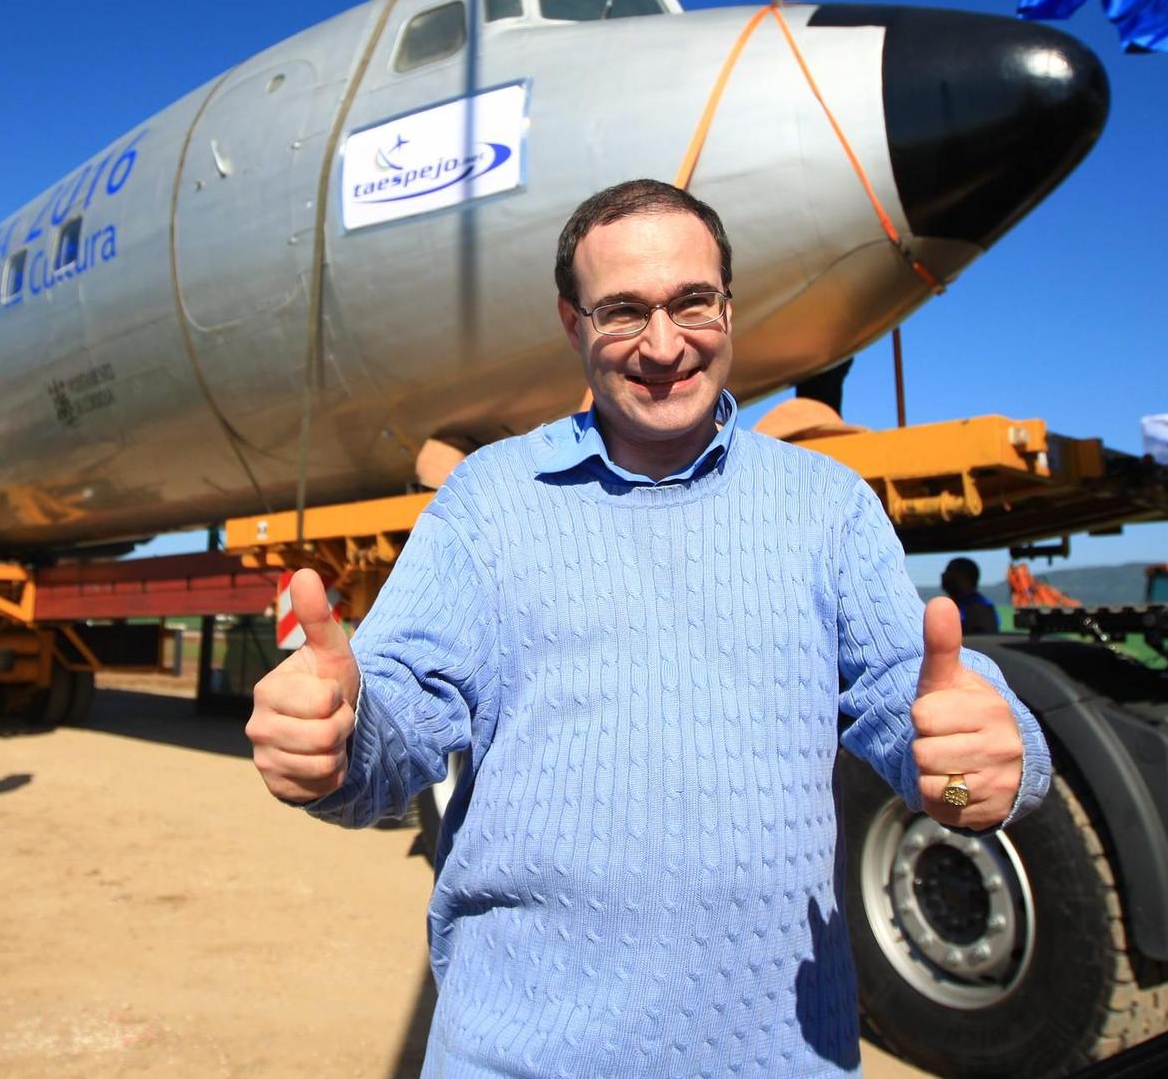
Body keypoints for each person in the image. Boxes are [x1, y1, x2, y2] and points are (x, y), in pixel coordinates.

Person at [247, 179, 1051, 1076]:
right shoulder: (488, 505)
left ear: (728, 307)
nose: (664, 345)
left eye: (691, 302)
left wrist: (974, 774)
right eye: (623, 311)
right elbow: (393, 731)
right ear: (571, 322)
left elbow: (922, 730)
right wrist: (336, 740)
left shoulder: (827, 506)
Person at [940, 556, 1000, 634]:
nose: (943, 575)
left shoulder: (980, 608)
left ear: (964, 576)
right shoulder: (953, 605)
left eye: (949, 570)